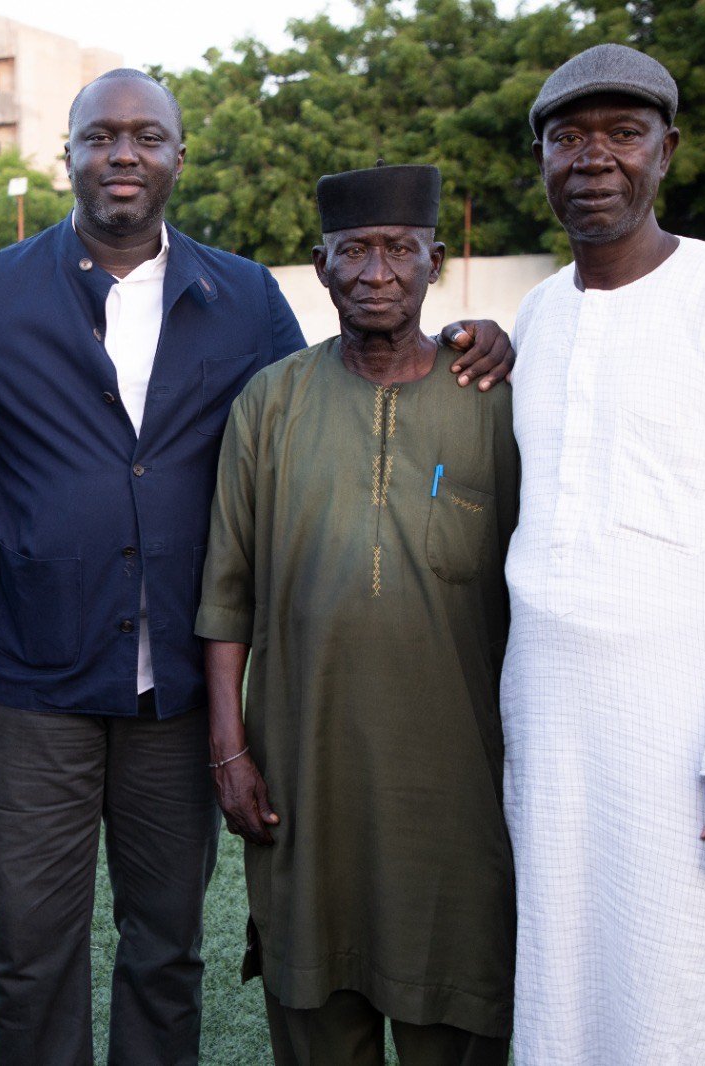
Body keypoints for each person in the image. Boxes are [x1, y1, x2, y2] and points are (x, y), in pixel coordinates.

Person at [0, 67, 513, 1065]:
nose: (124, 155)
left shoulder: (244, 296)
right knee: (31, 953)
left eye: (147, 137)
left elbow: (330, 400)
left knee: (166, 951)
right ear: (66, 155)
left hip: (178, 693)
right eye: (101, 137)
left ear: (176, 156)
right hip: (36, 684)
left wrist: (476, 338)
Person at [502, 44, 705, 1064]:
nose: (591, 159)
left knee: (688, 993)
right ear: (543, 162)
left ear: (665, 153)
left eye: (620, 134)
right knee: (561, 985)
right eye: (567, 138)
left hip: (692, 747)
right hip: (552, 734)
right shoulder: (538, 314)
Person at [197, 162, 517, 1066]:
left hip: (459, 790)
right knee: (315, 1007)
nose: (378, 271)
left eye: (401, 250)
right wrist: (230, 752)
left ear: (436, 263)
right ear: (320, 265)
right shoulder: (271, 402)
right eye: (356, 251)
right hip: (304, 780)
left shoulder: (495, 400)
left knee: (455, 1013)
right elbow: (227, 595)